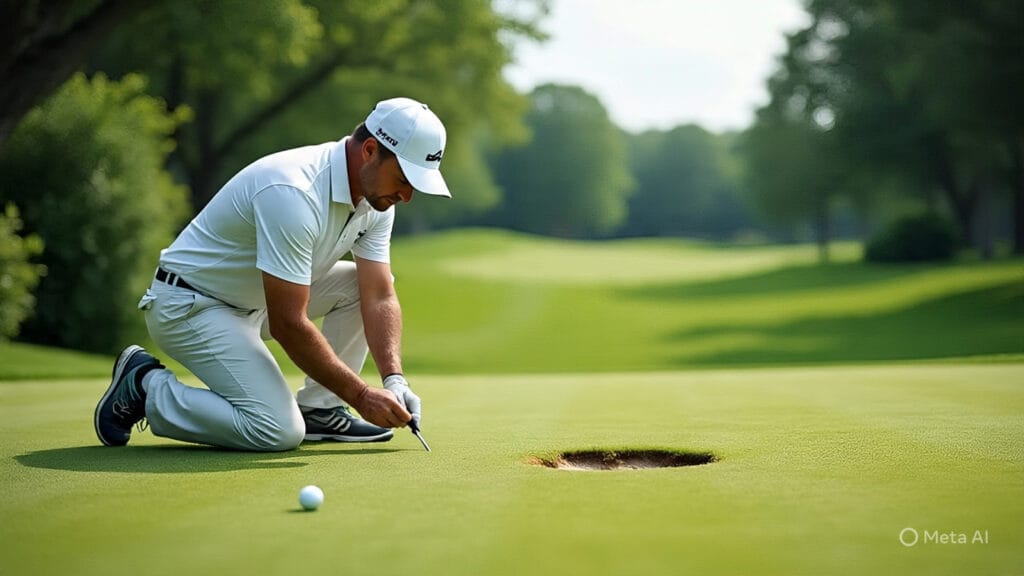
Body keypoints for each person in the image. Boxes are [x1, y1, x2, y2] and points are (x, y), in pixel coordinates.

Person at [93, 97, 450, 451]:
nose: (406, 196)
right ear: (370, 150)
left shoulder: (377, 200)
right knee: (276, 430)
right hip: (190, 306)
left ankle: (320, 411)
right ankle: (146, 386)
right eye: (403, 179)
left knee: (358, 285)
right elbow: (288, 324)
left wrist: (394, 379)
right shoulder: (294, 191)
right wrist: (360, 395)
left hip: (253, 302)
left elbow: (378, 294)